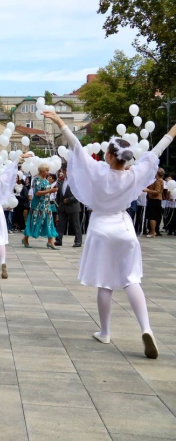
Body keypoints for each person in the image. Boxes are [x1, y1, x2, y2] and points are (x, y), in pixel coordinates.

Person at [46, 111, 176, 359]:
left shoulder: (98, 170)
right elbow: (157, 150)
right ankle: (146, 328)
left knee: (105, 283)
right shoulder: (134, 174)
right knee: (131, 280)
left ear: (108, 155)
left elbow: (76, 146)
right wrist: (173, 131)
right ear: (127, 159)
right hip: (124, 228)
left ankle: (105, 331)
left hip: (101, 228)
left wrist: (60, 121)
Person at [22, 164, 59, 249]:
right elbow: (37, 193)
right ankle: (25, 238)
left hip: (46, 204)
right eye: (46, 170)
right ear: (41, 171)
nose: (48, 172)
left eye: (48, 170)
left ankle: (50, 241)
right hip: (38, 205)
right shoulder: (37, 180)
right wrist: (50, 190)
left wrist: (52, 191)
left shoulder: (45, 180)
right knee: (34, 221)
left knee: (49, 221)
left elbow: (46, 191)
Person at [55, 166, 83, 247]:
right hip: (63, 207)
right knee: (60, 224)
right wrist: (58, 203)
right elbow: (59, 194)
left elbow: (78, 195)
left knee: (75, 225)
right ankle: (58, 239)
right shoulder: (62, 182)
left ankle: (78, 241)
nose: (66, 173)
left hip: (73, 206)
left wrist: (69, 200)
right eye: (65, 171)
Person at [144, 168, 165, 238]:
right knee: (154, 216)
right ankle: (153, 231)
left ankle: (153, 232)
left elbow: (157, 191)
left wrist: (148, 190)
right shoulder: (159, 181)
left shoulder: (158, 181)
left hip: (154, 200)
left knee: (152, 216)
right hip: (156, 200)